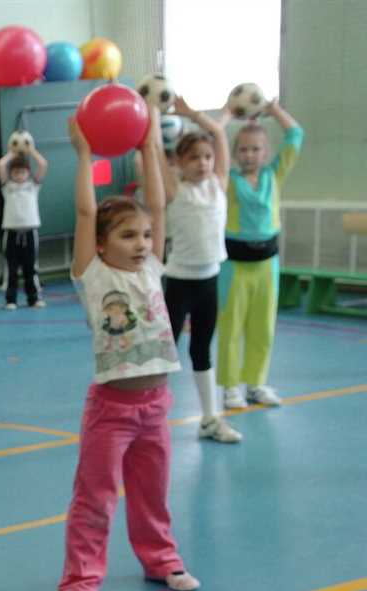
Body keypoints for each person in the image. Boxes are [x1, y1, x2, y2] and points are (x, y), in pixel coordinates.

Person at [59, 106, 201, 591]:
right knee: (96, 498)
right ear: (101, 244)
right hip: (112, 410)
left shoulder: (153, 268)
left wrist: (147, 146)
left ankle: (161, 559)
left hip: (155, 405)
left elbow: (159, 209)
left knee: (152, 493)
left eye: (144, 236)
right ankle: (79, 583)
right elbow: (82, 214)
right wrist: (84, 155)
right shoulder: (92, 275)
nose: (142, 243)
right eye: (128, 236)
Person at [158, 97, 242, 443]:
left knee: (202, 350)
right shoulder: (176, 189)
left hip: (209, 281)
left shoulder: (218, 186)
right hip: (178, 282)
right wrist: (153, 113)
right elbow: (153, 154)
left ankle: (210, 419)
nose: (204, 163)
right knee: (166, 352)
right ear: (179, 162)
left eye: (207, 157)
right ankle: (150, 417)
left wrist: (192, 115)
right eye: (194, 157)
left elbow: (219, 136)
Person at [218, 100, 303, 408]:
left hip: (267, 265)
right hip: (235, 266)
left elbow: (295, 134)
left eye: (256, 149)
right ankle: (230, 387)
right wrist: (228, 115)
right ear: (234, 153)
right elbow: (215, 139)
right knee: (231, 327)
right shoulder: (227, 181)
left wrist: (273, 109)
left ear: (266, 153)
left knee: (262, 327)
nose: (249, 155)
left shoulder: (273, 176)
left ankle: (256, 383)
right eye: (243, 150)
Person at [0, 141, 48, 309]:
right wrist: (13, 152)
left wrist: (31, 150)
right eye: (16, 172)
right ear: (11, 174)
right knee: (11, 268)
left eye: (23, 172)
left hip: (30, 231)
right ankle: (11, 299)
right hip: (11, 232)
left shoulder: (33, 186)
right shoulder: (7, 187)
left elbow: (43, 164)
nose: (19, 175)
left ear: (28, 173)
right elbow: (0, 165)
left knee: (30, 267)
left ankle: (33, 298)